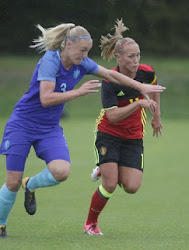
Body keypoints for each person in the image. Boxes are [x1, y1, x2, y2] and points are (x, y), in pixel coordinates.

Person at [0, 23, 165, 238]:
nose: (85, 56)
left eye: (88, 51)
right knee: (11, 181)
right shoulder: (50, 61)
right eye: (82, 51)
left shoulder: (83, 63)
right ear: (68, 45)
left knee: (62, 172)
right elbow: (46, 98)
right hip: (22, 124)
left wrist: (141, 87)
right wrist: (77, 93)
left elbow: (111, 74)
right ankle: (1, 224)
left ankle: (30, 184)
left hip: (49, 128)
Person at [84, 20, 163, 235]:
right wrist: (138, 103)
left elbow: (153, 88)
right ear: (118, 58)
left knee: (132, 187)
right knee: (110, 184)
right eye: (131, 56)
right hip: (109, 133)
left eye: (138, 55)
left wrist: (157, 116)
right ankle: (91, 223)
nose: (136, 60)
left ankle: (107, 166)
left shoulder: (146, 72)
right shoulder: (110, 81)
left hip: (134, 136)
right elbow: (113, 116)